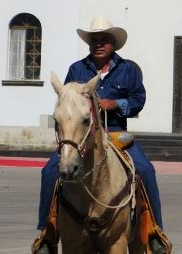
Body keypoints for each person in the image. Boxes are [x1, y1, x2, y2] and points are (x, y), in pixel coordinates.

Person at [36, 16, 162, 230]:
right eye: (95, 39)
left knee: (146, 170)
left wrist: (117, 104)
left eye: (104, 39)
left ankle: (154, 231)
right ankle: (46, 231)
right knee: (49, 172)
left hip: (115, 132)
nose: (99, 44)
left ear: (113, 44)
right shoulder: (77, 69)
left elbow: (138, 100)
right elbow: (67, 103)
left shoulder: (127, 69)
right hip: (81, 135)